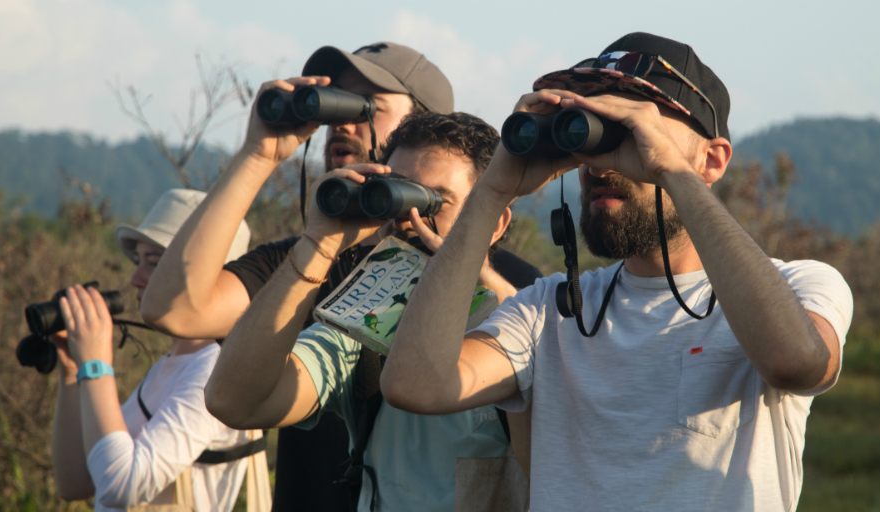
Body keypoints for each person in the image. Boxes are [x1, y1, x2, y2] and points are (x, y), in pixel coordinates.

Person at [381, 32, 855, 511]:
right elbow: (415, 384)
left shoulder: (801, 286)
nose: (601, 164)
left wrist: (671, 171)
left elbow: (796, 363)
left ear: (712, 160)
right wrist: (489, 194)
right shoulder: (548, 311)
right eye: (592, 125)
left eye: (630, 126)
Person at [139, 42, 466, 510]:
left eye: (369, 106)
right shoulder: (299, 265)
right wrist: (258, 153)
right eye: (339, 102)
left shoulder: (483, 278)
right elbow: (171, 308)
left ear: (425, 127)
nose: (344, 122)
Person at [202, 110, 538, 511]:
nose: (410, 219)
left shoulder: (529, 321)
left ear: (495, 224)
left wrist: (477, 275)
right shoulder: (369, 318)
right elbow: (232, 402)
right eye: (398, 193)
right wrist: (317, 244)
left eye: (435, 201)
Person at [50, 189, 265, 511]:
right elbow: (76, 483)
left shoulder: (216, 370)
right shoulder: (175, 364)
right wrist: (72, 369)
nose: (135, 278)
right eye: (138, 261)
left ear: (209, 274)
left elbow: (123, 488)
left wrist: (96, 364)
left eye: (153, 264)